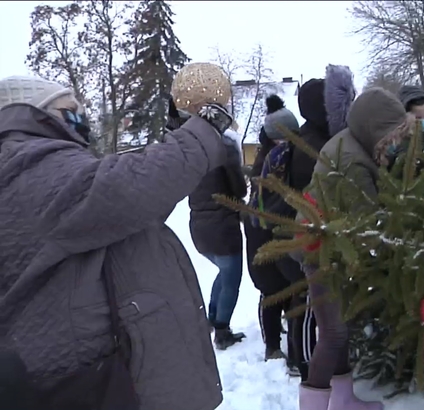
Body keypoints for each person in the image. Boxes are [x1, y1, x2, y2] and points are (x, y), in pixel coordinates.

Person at [0, 75, 234, 410]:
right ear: (37, 113)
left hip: (78, 372)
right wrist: (202, 131)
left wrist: (176, 131)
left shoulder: (38, 163)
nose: (81, 116)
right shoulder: (28, 164)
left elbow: (129, 209)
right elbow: (126, 189)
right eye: (70, 109)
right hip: (84, 381)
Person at [294, 87, 415, 410]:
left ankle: (344, 399)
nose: (396, 143)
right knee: (332, 332)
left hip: (331, 245)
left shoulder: (353, 142)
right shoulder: (353, 162)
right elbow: (370, 225)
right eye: (392, 135)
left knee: (339, 327)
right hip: (321, 249)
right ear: (376, 129)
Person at [244, 93, 310, 375]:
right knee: (271, 291)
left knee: (291, 289)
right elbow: (263, 201)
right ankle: (272, 346)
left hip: (284, 231)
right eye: (280, 139)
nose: (285, 144)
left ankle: (294, 349)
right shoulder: (267, 162)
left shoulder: (290, 157)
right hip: (262, 232)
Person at [187, 96, 249, 350]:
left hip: (198, 227)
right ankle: (222, 331)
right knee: (231, 279)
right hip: (223, 227)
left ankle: (212, 319)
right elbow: (238, 188)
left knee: (223, 273)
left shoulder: (194, 148)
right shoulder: (226, 147)